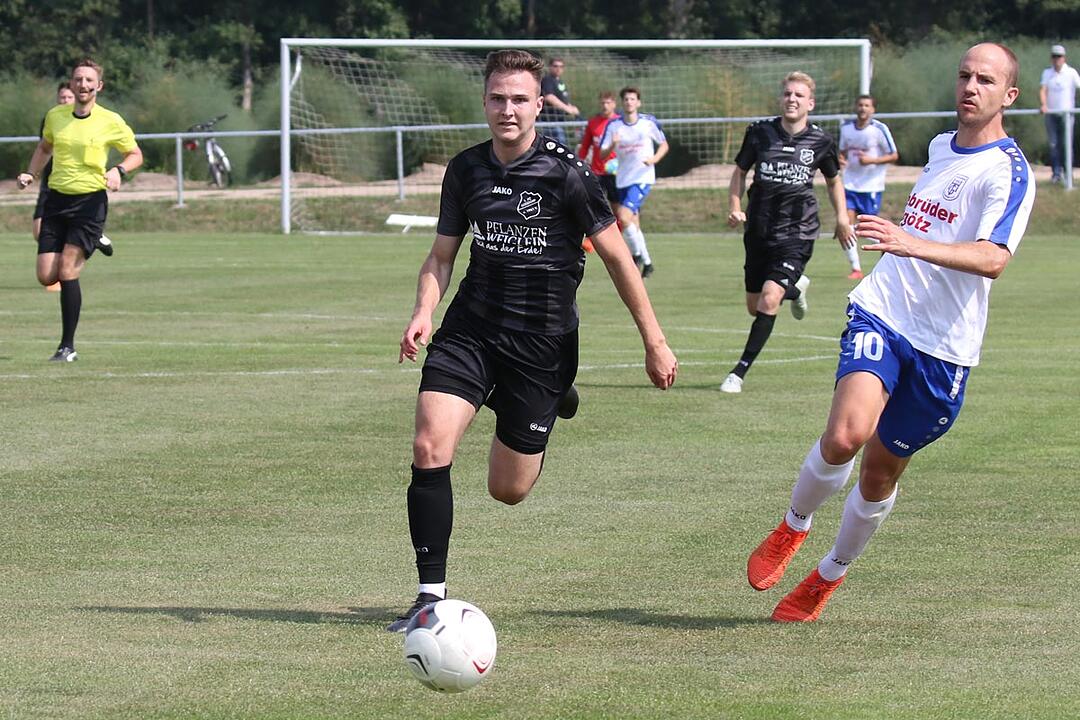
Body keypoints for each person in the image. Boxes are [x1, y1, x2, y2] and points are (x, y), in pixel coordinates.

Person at [388, 50, 678, 632]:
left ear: (539, 103)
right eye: (497, 98)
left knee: (507, 489)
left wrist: (655, 342)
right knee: (429, 445)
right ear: (485, 103)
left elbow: (620, 260)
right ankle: (429, 598)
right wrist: (424, 310)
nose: (507, 110)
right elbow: (442, 255)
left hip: (542, 345)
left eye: (519, 99)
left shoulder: (569, 174)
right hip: (470, 329)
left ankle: (554, 397)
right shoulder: (465, 169)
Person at [745, 43, 1034, 622]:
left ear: (1009, 95)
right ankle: (792, 526)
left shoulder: (1009, 171)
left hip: (945, 348)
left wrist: (909, 240)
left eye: (985, 79)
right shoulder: (940, 146)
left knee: (879, 472)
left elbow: (993, 258)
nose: (970, 87)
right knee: (846, 435)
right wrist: (906, 245)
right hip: (884, 309)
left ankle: (828, 576)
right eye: (963, 75)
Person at [723, 72, 855, 394]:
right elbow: (740, 171)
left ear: (810, 103)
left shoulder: (821, 141)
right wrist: (735, 204)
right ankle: (795, 289)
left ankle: (737, 373)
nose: (791, 99)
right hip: (758, 229)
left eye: (798, 95)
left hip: (798, 231)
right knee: (754, 306)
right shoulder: (759, 133)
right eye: (787, 94)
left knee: (769, 299)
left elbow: (834, 180)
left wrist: (841, 218)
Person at [16, 58, 143, 362]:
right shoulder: (55, 116)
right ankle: (96, 240)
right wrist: (31, 174)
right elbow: (45, 148)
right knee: (47, 276)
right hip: (56, 201)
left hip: (89, 203)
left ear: (99, 86)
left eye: (89, 80)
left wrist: (119, 171)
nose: (83, 85)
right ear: (71, 85)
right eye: (78, 79)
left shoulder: (110, 120)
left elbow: (135, 153)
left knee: (67, 270)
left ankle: (67, 347)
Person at [600, 86, 669, 278]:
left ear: (638, 102)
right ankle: (647, 263)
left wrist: (654, 160)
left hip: (643, 178)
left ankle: (636, 255)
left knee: (622, 216)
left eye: (632, 99)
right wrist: (613, 144)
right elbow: (602, 153)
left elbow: (664, 144)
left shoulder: (648, 123)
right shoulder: (614, 126)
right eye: (626, 99)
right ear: (622, 103)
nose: (629, 102)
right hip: (623, 180)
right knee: (633, 223)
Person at [838, 95, 899, 280]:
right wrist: (840, 159)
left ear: (873, 110)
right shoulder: (846, 128)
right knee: (846, 225)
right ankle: (856, 269)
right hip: (849, 183)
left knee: (868, 228)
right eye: (860, 105)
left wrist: (872, 160)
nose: (863, 108)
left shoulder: (879, 129)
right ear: (856, 107)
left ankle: (889, 245)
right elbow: (842, 151)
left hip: (871, 185)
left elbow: (894, 155)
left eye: (867, 105)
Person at [33, 82, 77, 292]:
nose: (65, 101)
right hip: (49, 182)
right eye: (62, 97)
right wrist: (31, 173)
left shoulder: (84, 121)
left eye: (69, 97)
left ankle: (62, 274)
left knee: (65, 232)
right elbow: (44, 148)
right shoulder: (51, 119)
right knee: (37, 231)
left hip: (71, 184)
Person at [576, 90, 621, 252]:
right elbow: (585, 146)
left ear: (614, 104)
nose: (605, 105)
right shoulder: (593, 123)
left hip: (617, 173)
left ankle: (618, 238)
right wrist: (579, 164)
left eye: (608, 102)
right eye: (602, 102)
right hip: (597, 172)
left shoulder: (620, 122)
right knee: (594, 207)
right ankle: (590, 240)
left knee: (618, 209)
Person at [1039, 44, 1080, 184]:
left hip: (1067, 114)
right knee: (1053, 144)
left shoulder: (1071, 73)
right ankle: (1056, 174)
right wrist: (1044, 104)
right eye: (1055, 56)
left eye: (1059, 56)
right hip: (1051, 114)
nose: (1057, 59)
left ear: (1064, 58)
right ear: (1051, 58)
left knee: (1067, 144)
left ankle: (1068, 174)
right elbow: (1043, 90)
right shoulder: (1047, 73)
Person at [539, 57, 579, 146]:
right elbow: (549, 97)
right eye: (555, 66)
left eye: (561, 66)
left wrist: (571, 108)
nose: (558, 69)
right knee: (558, 149)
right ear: (550, 67)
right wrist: (567, 109)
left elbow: (562, 99)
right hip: (550, 122)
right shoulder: (547, 80)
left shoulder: (559, 82)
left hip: (559, 121)